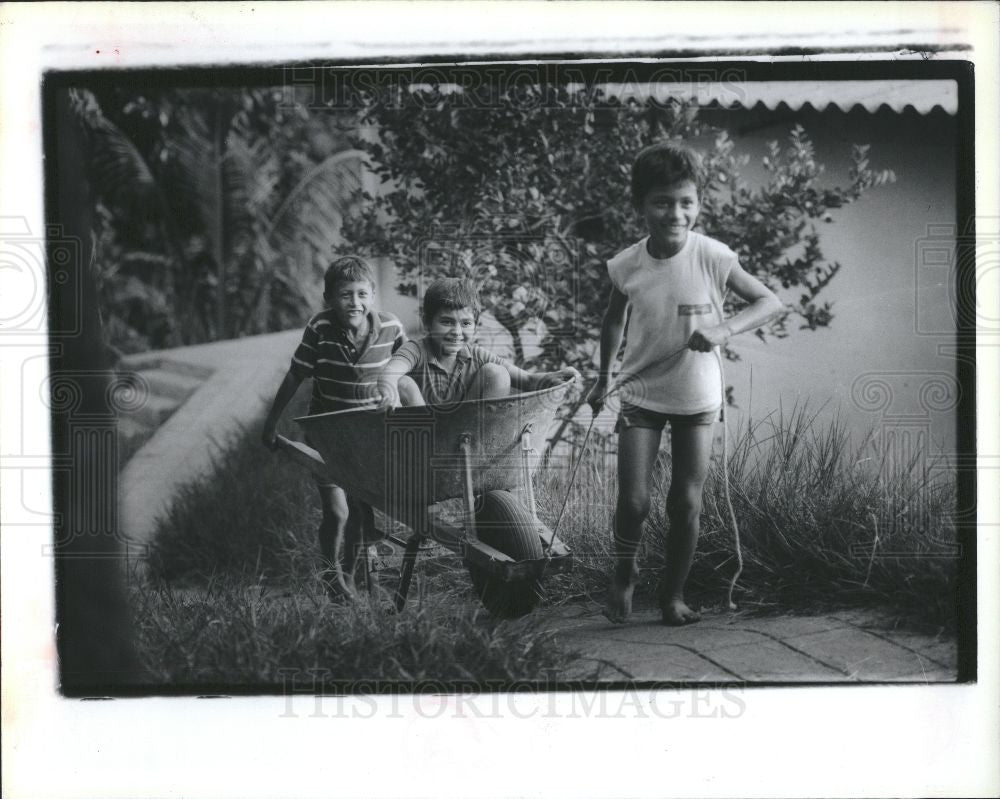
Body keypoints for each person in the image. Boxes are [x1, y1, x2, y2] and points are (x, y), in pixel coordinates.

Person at [587, 141, 782, 625]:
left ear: (698, 204)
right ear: (640, 207)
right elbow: (613, 320)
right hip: (640, 392)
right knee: (633, 501)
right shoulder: (626, 264)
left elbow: (769, 302)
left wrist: (722, 330)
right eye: (662, 202)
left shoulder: (714, 256)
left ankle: (672, 596)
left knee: (685, 500)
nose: (675, 213)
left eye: (686, 202)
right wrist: (604, 376)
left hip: (697, 397)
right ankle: (625, 571)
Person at [262, 255, 406, 600]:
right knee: (337, 512)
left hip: (369, 437)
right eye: (345, 295)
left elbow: (408, 369)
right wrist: (271, 423)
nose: (353, 303)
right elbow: (296, 373)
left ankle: (350, 577)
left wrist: (405, 402)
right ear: (329, 297)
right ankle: (331, 576)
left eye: (361, 294)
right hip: (326, 436)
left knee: (360, 512)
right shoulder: (320, 329)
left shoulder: (391, 328)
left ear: (372, 294)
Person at [376, 277, 579, 408]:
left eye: (465, 323)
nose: (456, 332)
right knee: (403, 383)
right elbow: (390, 374)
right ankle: (427, 455)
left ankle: (484, 446)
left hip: (469, 436)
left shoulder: (476, 354)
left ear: (475, 325)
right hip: (427, 434)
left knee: (496, 373)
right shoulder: (416, 350)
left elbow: (526, 380)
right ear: (427, 323)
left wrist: (556, 377)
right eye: (446, 322)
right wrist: (390, 396)